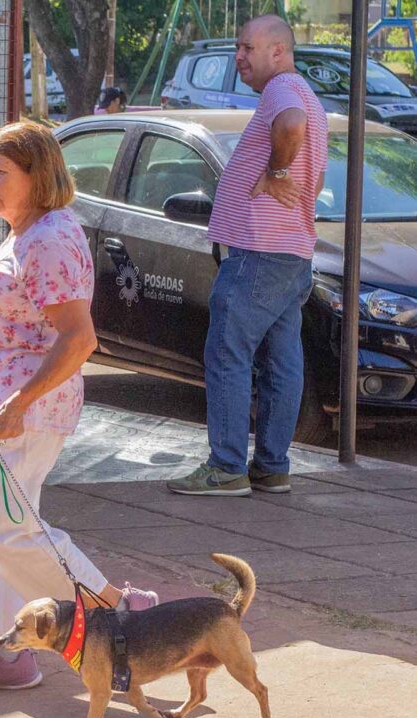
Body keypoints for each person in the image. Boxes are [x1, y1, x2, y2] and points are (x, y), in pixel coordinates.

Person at [0, 121, 159, 694]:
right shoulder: (27, 232)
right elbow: (26, 324)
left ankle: (115, 605)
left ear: (38, 178)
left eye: (0, 172)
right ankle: (6, 653)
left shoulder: (49, 239)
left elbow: (79, 339)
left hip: (22, 414)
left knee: (4, 533)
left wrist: (18, 399)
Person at [167, 15, 328, 497]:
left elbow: (290, 127)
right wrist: (288, 185)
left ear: (278, 52)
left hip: (259, 254)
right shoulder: (308, 96)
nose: (238, 56)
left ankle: (226, 467)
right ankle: (272, 466)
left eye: (246, 47)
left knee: (227, 353)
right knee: (282, 361)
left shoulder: (283, 89)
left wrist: (276, 174)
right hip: (290, 253)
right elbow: (315, 179)